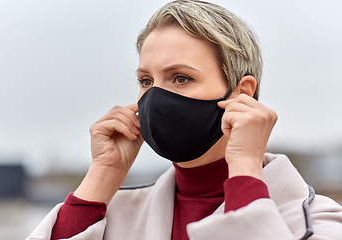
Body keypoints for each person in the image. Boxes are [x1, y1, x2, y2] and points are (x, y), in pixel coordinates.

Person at [27, 1, 342, 239]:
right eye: (146, 81)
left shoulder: (317, 221)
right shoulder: (110, 214)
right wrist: (104, 173)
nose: (155, 98)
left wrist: (245, 166)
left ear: (241, 94)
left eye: (180, 78)